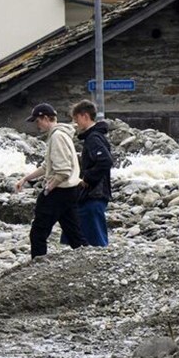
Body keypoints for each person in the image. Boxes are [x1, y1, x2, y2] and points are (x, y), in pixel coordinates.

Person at [18, 103, 83, 257]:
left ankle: (37, 268)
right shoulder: (62, 134)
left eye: (37, 121)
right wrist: (26, 178)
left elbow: (63, 171)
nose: (37, 125)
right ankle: (87, 261)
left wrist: (49, 188)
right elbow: (48, 166)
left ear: (46, 118)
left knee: (38, 234)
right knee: (74, 234)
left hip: (58, 191)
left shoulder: (57, 136)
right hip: (71, 190)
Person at [72, 100, 112, 247]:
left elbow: (105, 161)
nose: (76, 124)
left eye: (76, 119)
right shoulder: (96, 136)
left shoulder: (93, 138)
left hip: (94, 194)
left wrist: (87, 178)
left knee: (97, 241)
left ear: (85, 116)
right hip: (95, 194)